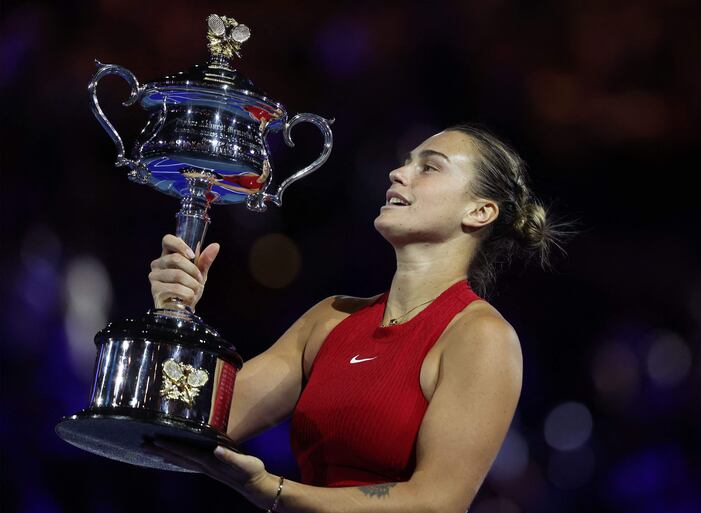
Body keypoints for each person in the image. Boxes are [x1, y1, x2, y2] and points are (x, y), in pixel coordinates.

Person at [147, 124, 566, 513]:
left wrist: (276, 491)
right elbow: (186, 423)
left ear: (480, 212)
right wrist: (174, 312)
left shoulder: (479, 336)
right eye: (405, 162)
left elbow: (437, 502)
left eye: (429, 166)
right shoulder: (330, 318)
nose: (398, 173)